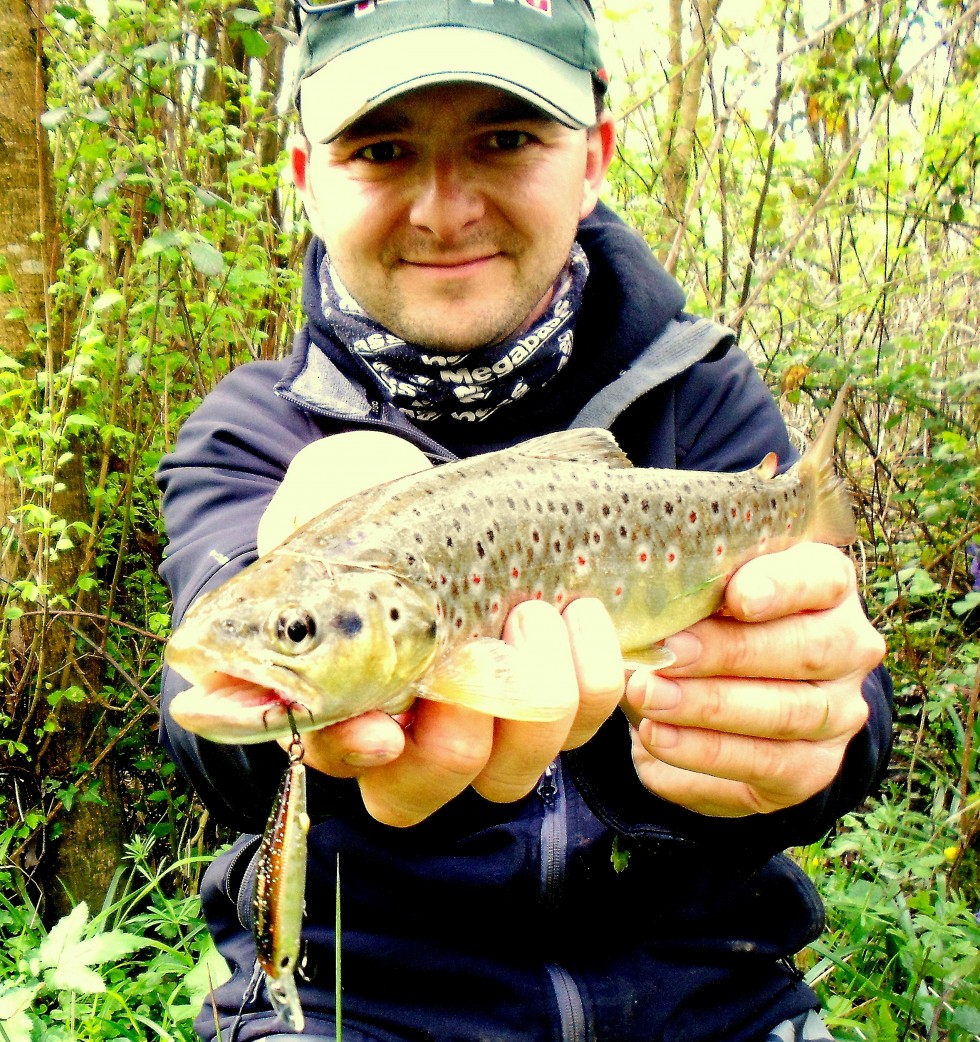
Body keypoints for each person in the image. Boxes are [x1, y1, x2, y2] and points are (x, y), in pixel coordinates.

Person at [156, 0, 892, 1038]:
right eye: (380, 148)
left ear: (593, 156)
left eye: (503, 138)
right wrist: (304, 712)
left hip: (708, 1001)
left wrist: (812, 726)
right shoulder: (242, 430)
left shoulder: (704, 390)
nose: (442, 210)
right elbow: (203, 727)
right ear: (304, 176)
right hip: (358, 1008)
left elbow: (849, 715)